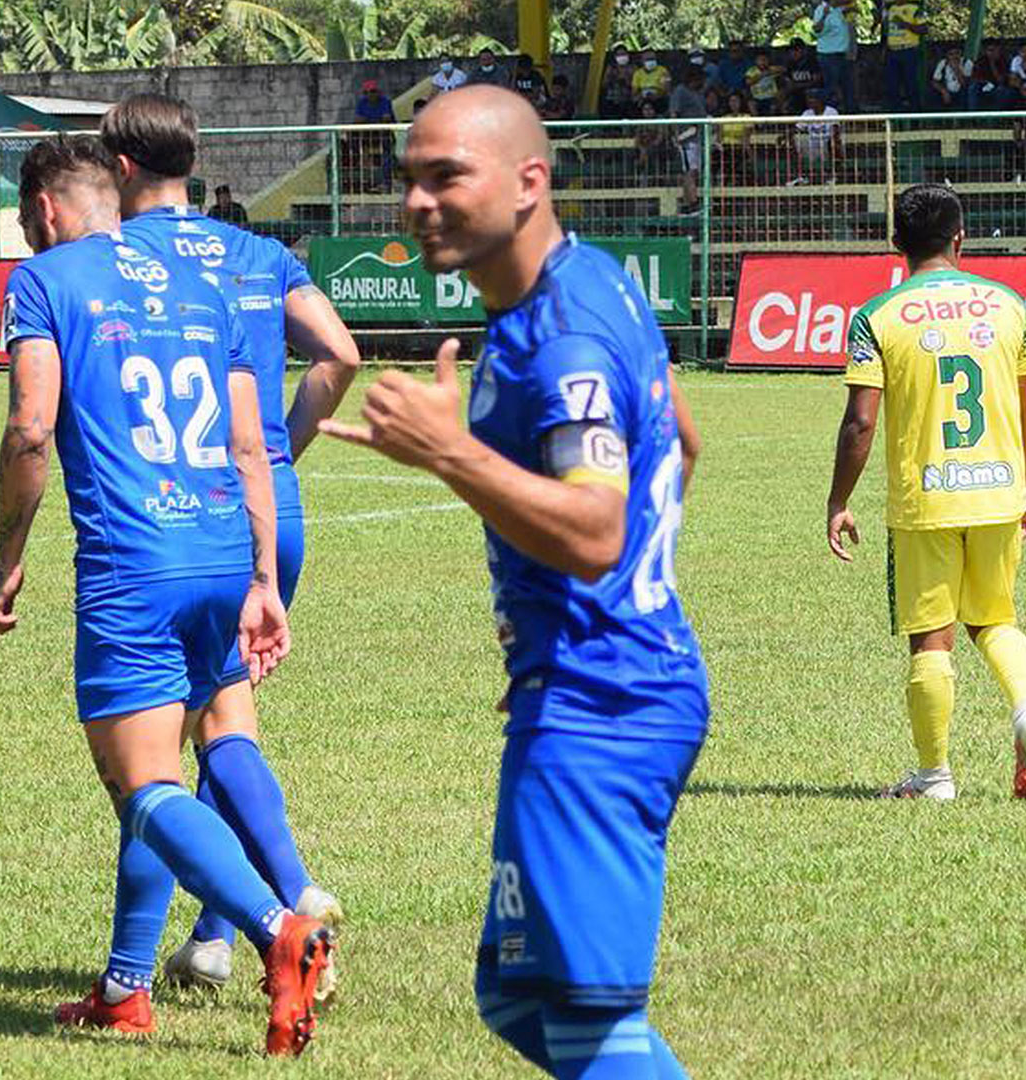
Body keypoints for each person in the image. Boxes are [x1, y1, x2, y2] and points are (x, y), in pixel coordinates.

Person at [322, 85, 707, 1079]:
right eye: (410, 178)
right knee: (516, 994)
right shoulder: (585, 286)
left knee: (580, 1021)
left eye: (447, 175)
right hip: (589, 674)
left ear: (530, 181)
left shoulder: (565, 333)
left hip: (605, 696)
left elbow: (595, 529)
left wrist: (452, 453)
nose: (417, 201)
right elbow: (681, 442)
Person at [0, 134, 330, 1056]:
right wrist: (261, 578)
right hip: (223, 549)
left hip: (135, 562)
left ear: (48, 210)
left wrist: (8, 558)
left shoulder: (45, 281)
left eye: (25, 221)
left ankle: (276, 928)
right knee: (171, 774)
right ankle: (127, 988)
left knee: (145, 785)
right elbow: (254, 446)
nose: (28, 234)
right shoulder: (206, 285)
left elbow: (28, 429)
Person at [96, 92, 361, 1001]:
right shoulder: (257, 252)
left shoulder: (115, 259)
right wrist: (288, 442)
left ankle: (277, 903)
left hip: (174, 511)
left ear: (119, 168)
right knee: (225, 718)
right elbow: (341, 353)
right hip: (267, 502)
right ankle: (211, 939)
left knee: (156, 755)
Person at [825, 182, 1026, 803]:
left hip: (926, 500)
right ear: (961, 238)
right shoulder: (1008, 304)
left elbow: (861, 421)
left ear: (896, 243)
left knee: (932, 637)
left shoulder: (877, 316)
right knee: (996, 619)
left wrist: (839, 500)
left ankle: (934, 775)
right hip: (999, 490)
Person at [670, 67, 709, 213]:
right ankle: (692, 204)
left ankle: (690, 202)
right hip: (686, 137)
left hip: (697, 137)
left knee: (695, 171)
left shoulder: (697, 94)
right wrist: (677, 136)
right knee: (689, 171)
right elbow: (674, 114)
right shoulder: (680, 91)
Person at [813, 0, 857, 112]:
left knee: (848, 88)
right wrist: (824, 15)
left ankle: (850, 117)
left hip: (842, 55)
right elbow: (816, 30)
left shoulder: (838, 10)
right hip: (829, 56)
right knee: (831, 89)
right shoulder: (821, 10)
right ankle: (829, 117)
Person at [882, 0, 926, 112]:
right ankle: (895, 118)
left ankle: (915, 118)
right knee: (892, 86)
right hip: (892, 52)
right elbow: (886, 30)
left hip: (908, 50)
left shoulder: (915, 9)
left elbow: (923, 29)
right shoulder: (890, 9)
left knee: (911, 85)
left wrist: (905, 24)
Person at [793, 87, 842, 183]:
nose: (808, 101)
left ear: (820, 100)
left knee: (833, 143)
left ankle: (834, 176)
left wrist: (832, 141)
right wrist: (786, 136)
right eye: (808, 98)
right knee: (793, 141)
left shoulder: (831, 111)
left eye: (812, 98)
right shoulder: (807, 113)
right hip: (813, 144)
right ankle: (800, 176)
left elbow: (836, 130)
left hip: (827, 144)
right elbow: (797, 128)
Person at [970, 39, 1012, 109]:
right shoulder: (981, 61)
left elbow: (1000, 80)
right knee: (973, 88)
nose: (993, 53)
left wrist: (992, 63)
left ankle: (996, 117)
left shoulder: (1005, 60)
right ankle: (972, 116)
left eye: (995, 50)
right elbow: (975, 78)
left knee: (1002, 91)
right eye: (990, 50)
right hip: (984, 86)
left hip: (1000, 87)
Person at [601, 46, 637, 119]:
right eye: (619, 55)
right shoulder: (611, 67)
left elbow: (636, 85)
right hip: (612, 98)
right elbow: (604, 84)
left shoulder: (633, 68)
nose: (622, 57)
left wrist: (626, 79)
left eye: (623, 54)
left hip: (629, 98)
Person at [933, 43, 970, 110]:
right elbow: (935, 81)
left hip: (962, 92)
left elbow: (965, 84)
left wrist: (956, 69)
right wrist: (944, 91)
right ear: (947, 55)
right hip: (947, 90)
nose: (954, 56)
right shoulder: (943, 63)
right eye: (951, 54)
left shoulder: (967, 62)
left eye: (957, 53)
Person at [746, 49, 783, 114]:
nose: (762, 62)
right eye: (760, 60)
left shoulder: (772, 69)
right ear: (756, 61)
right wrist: (762, 75)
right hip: (757, 98)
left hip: (771, 97)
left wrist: (772, 70)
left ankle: (771, 123)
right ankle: (757, 123)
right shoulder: (752, 70)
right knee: (751, 103)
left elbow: (783, 70)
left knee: (774, 104)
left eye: (765, 60)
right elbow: (748, 82)